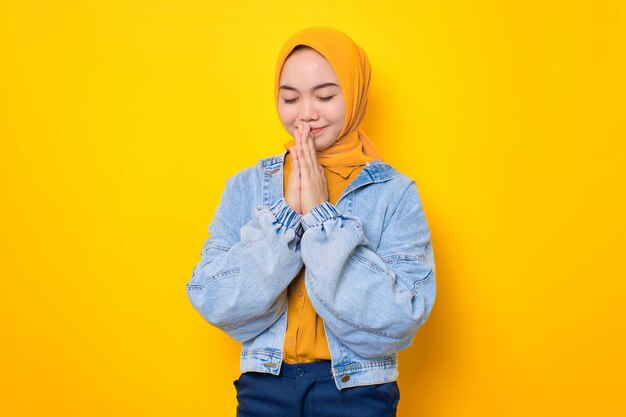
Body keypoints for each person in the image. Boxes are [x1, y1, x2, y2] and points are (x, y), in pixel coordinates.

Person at [186, 27, 436, 417]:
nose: (306, 112)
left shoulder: (394, 193)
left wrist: (322, 218)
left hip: (359, 390)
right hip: (263, 386)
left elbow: (400, 318)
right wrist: (285, 218)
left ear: (353, 94)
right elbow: (215, 299)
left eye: (325, 96)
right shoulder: (245, 186)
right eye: (290, 98)